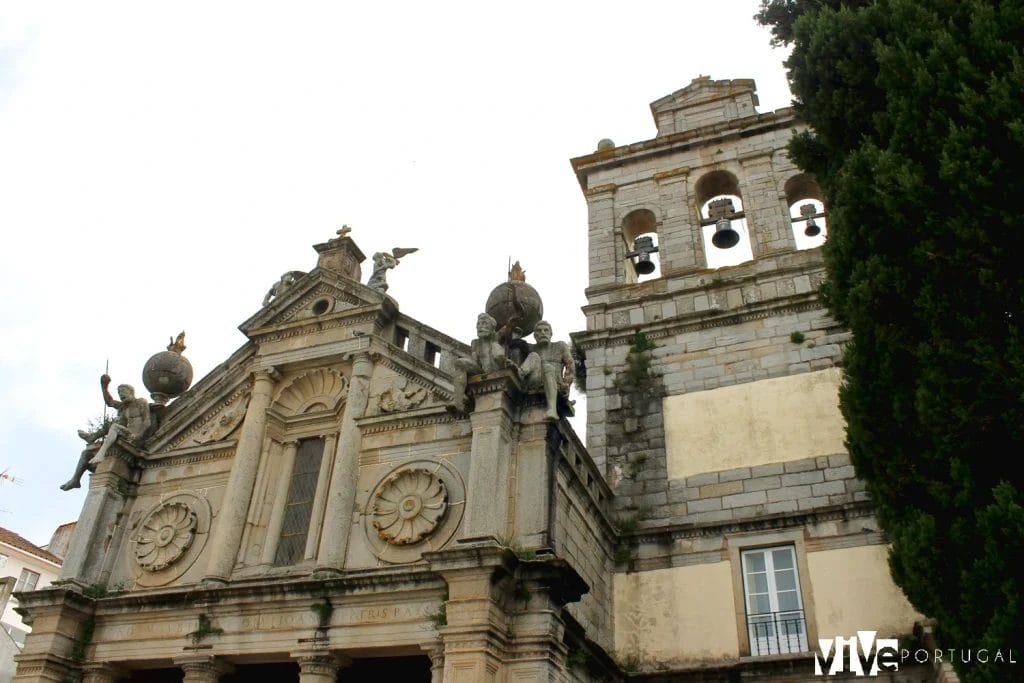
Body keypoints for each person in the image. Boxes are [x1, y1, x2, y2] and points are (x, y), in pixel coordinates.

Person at [62, 375, 151, 491]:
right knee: (86, 453)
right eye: (119, 392)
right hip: (125, 435)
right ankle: (75, 479)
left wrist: (138, 436)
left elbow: (147, 422)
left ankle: (101, 452)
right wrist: (104, 386)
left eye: (123, 391)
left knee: (114, 426)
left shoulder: (140, 402)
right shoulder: (123, 407)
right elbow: (109, 402)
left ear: (131, 392)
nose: (121, 394)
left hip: (135, 437)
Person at [449, 313, 515, 413]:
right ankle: (458, 400)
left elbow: (508, 327)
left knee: (496, 348)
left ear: (492, 328)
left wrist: (513, 318)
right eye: (479, 324)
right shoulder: (475, 343)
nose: (481, 327)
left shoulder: (496, 337)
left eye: (485, 324)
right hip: (482, 370)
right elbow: (474, 361)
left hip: (496, 368)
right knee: (460, 363)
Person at [521, 320, 575, 421]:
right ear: (535, 336)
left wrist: (566, 384)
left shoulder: (560, 346)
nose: (543, 333)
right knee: (533, 356)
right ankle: (519, 373)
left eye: (546, 330)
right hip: (535, 380)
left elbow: (570, 366)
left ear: (551, 334)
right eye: (539, 331)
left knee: (547, 367)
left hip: (555, 382)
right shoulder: (530, 348)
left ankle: (552, 410)